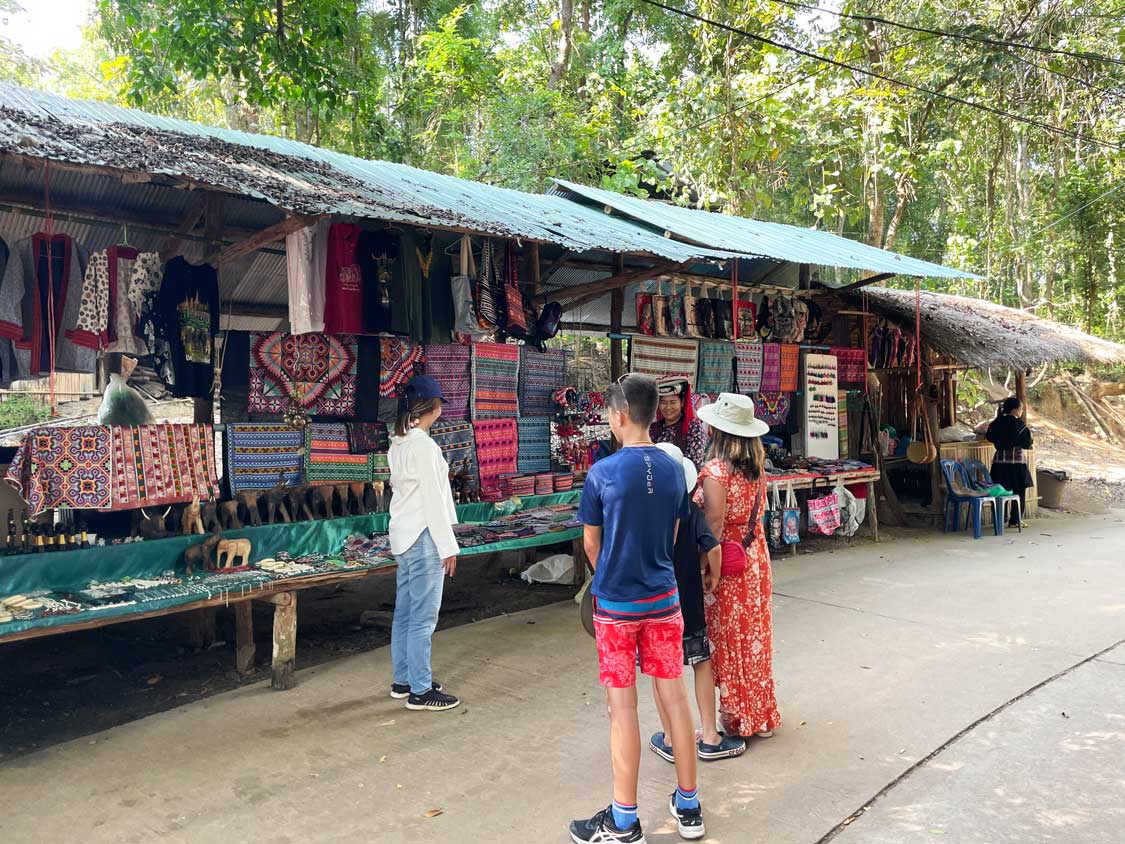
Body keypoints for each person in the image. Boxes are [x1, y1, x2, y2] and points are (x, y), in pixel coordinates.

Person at [571, 374, 706, 843]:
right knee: (675, 699)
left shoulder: (602, 474)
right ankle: (689, 807)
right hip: (665, 601)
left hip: (616, 607)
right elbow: (671, 536)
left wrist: (611, 570)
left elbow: (592, 544)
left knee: (622, 708)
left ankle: (624, 820)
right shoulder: (674, 470)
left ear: (619, 415)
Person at [648, 442, 747, 764]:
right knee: (701, 664)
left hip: (654, 606)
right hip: (689, 607)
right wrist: (713, 577)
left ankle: (669, 737)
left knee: (661, 671)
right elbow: (714, 548)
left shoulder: (643, 515)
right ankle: (709, 734)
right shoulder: (690, 512)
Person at [694, 393, 781, 739]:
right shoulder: (755, 468)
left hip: (727, 562)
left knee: (730, 637)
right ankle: (758, 715)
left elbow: (713, 526)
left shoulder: (717, 471)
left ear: (718, 430)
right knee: (754, 635)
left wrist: (705, 567)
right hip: (755, 557)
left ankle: (737, 717)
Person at [387, 375, 461, 712]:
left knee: (405, 613)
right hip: (424, 536)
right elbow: (433, 499)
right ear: (434, 406)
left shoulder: (399, 443)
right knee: (422, 618)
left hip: (404, 536)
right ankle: (419, 689)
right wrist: (449, 547)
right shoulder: (423, 446)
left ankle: (405, 680)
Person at [986, 397, 1033, 527]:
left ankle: (1000, 518)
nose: (1022, 411)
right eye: (1021, 408)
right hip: (1017, 463)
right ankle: (1015, 520)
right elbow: (1027, 443)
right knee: (1018, 492)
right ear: (1015, 409)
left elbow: (989, 436)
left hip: (999, 463)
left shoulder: (995, 423)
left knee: (1000, 491)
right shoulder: (1020, 425)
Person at [650, 376, 708, 468]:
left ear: (682, 402)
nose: (668, 407)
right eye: (663, 402)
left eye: (673, 402)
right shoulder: (653, 429)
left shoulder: (694, 427)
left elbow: (694, 461)